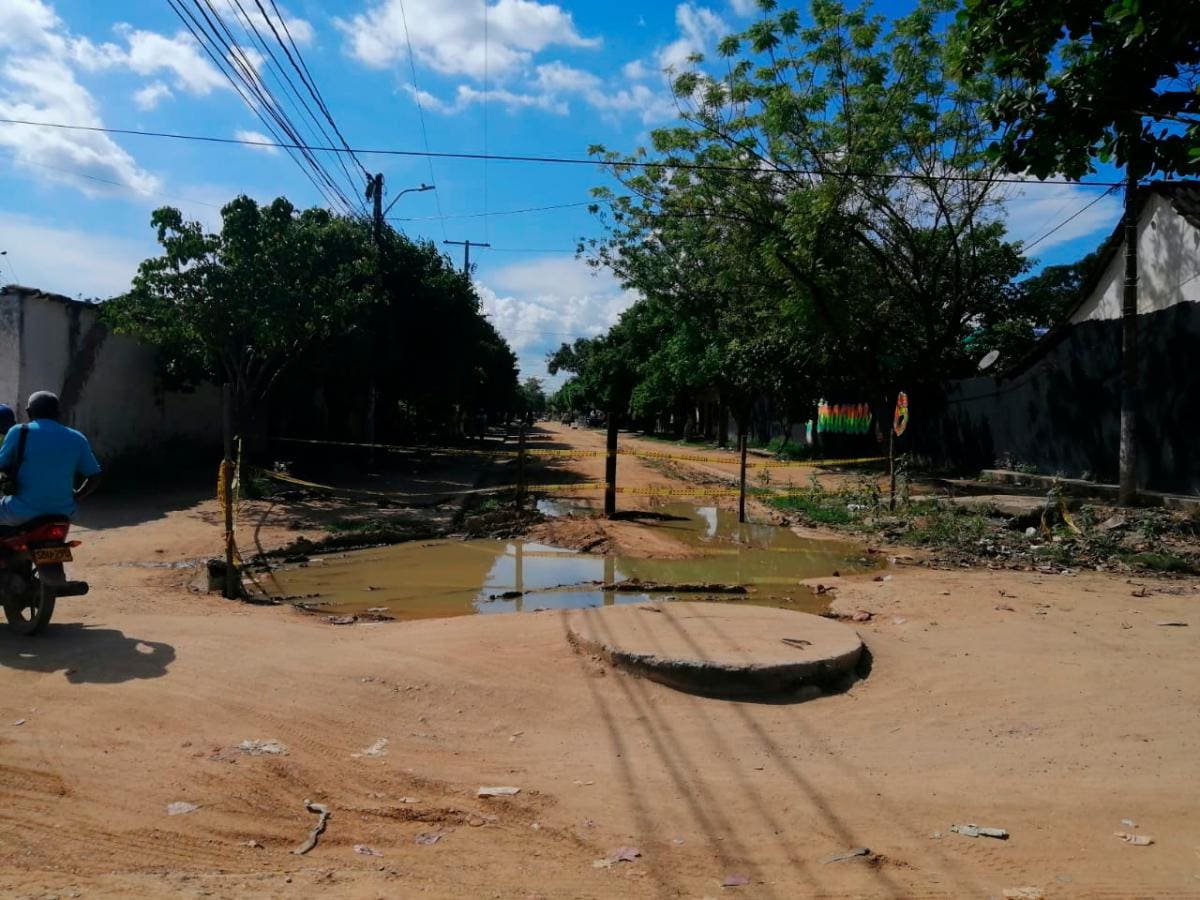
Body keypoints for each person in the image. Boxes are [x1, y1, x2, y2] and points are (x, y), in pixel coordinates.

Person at [0, 391, 102, 527]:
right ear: (58, 413)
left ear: (28, 412)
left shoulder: (19, 431)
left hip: (20, 512)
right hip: (64, 512)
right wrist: (76, 497)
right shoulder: (77, 437)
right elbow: (95, 476)